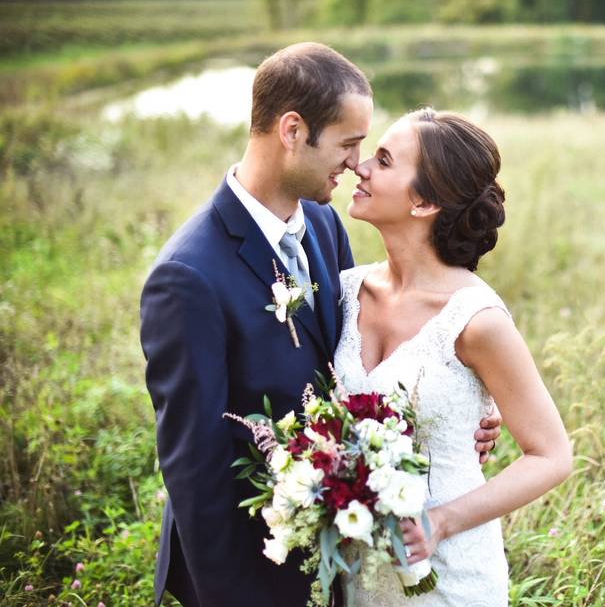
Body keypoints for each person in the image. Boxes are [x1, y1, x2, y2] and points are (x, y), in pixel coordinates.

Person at [140, 44, 502, 607]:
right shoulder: (188, 277)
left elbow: (350, 361)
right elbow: (194, 471)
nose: (356, 163)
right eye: (348, 144)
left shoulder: (323, 225)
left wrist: (465, 397)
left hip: (342, 558)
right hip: (251, 568)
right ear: (292, 130)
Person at [334, 108, 573, 605]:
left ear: (423, 201)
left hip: (449, 575)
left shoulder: (475, 319)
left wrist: (440, 522)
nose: (361, 168)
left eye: (383, 160)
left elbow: (551, 455)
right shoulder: (345, 292)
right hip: (358, 572)